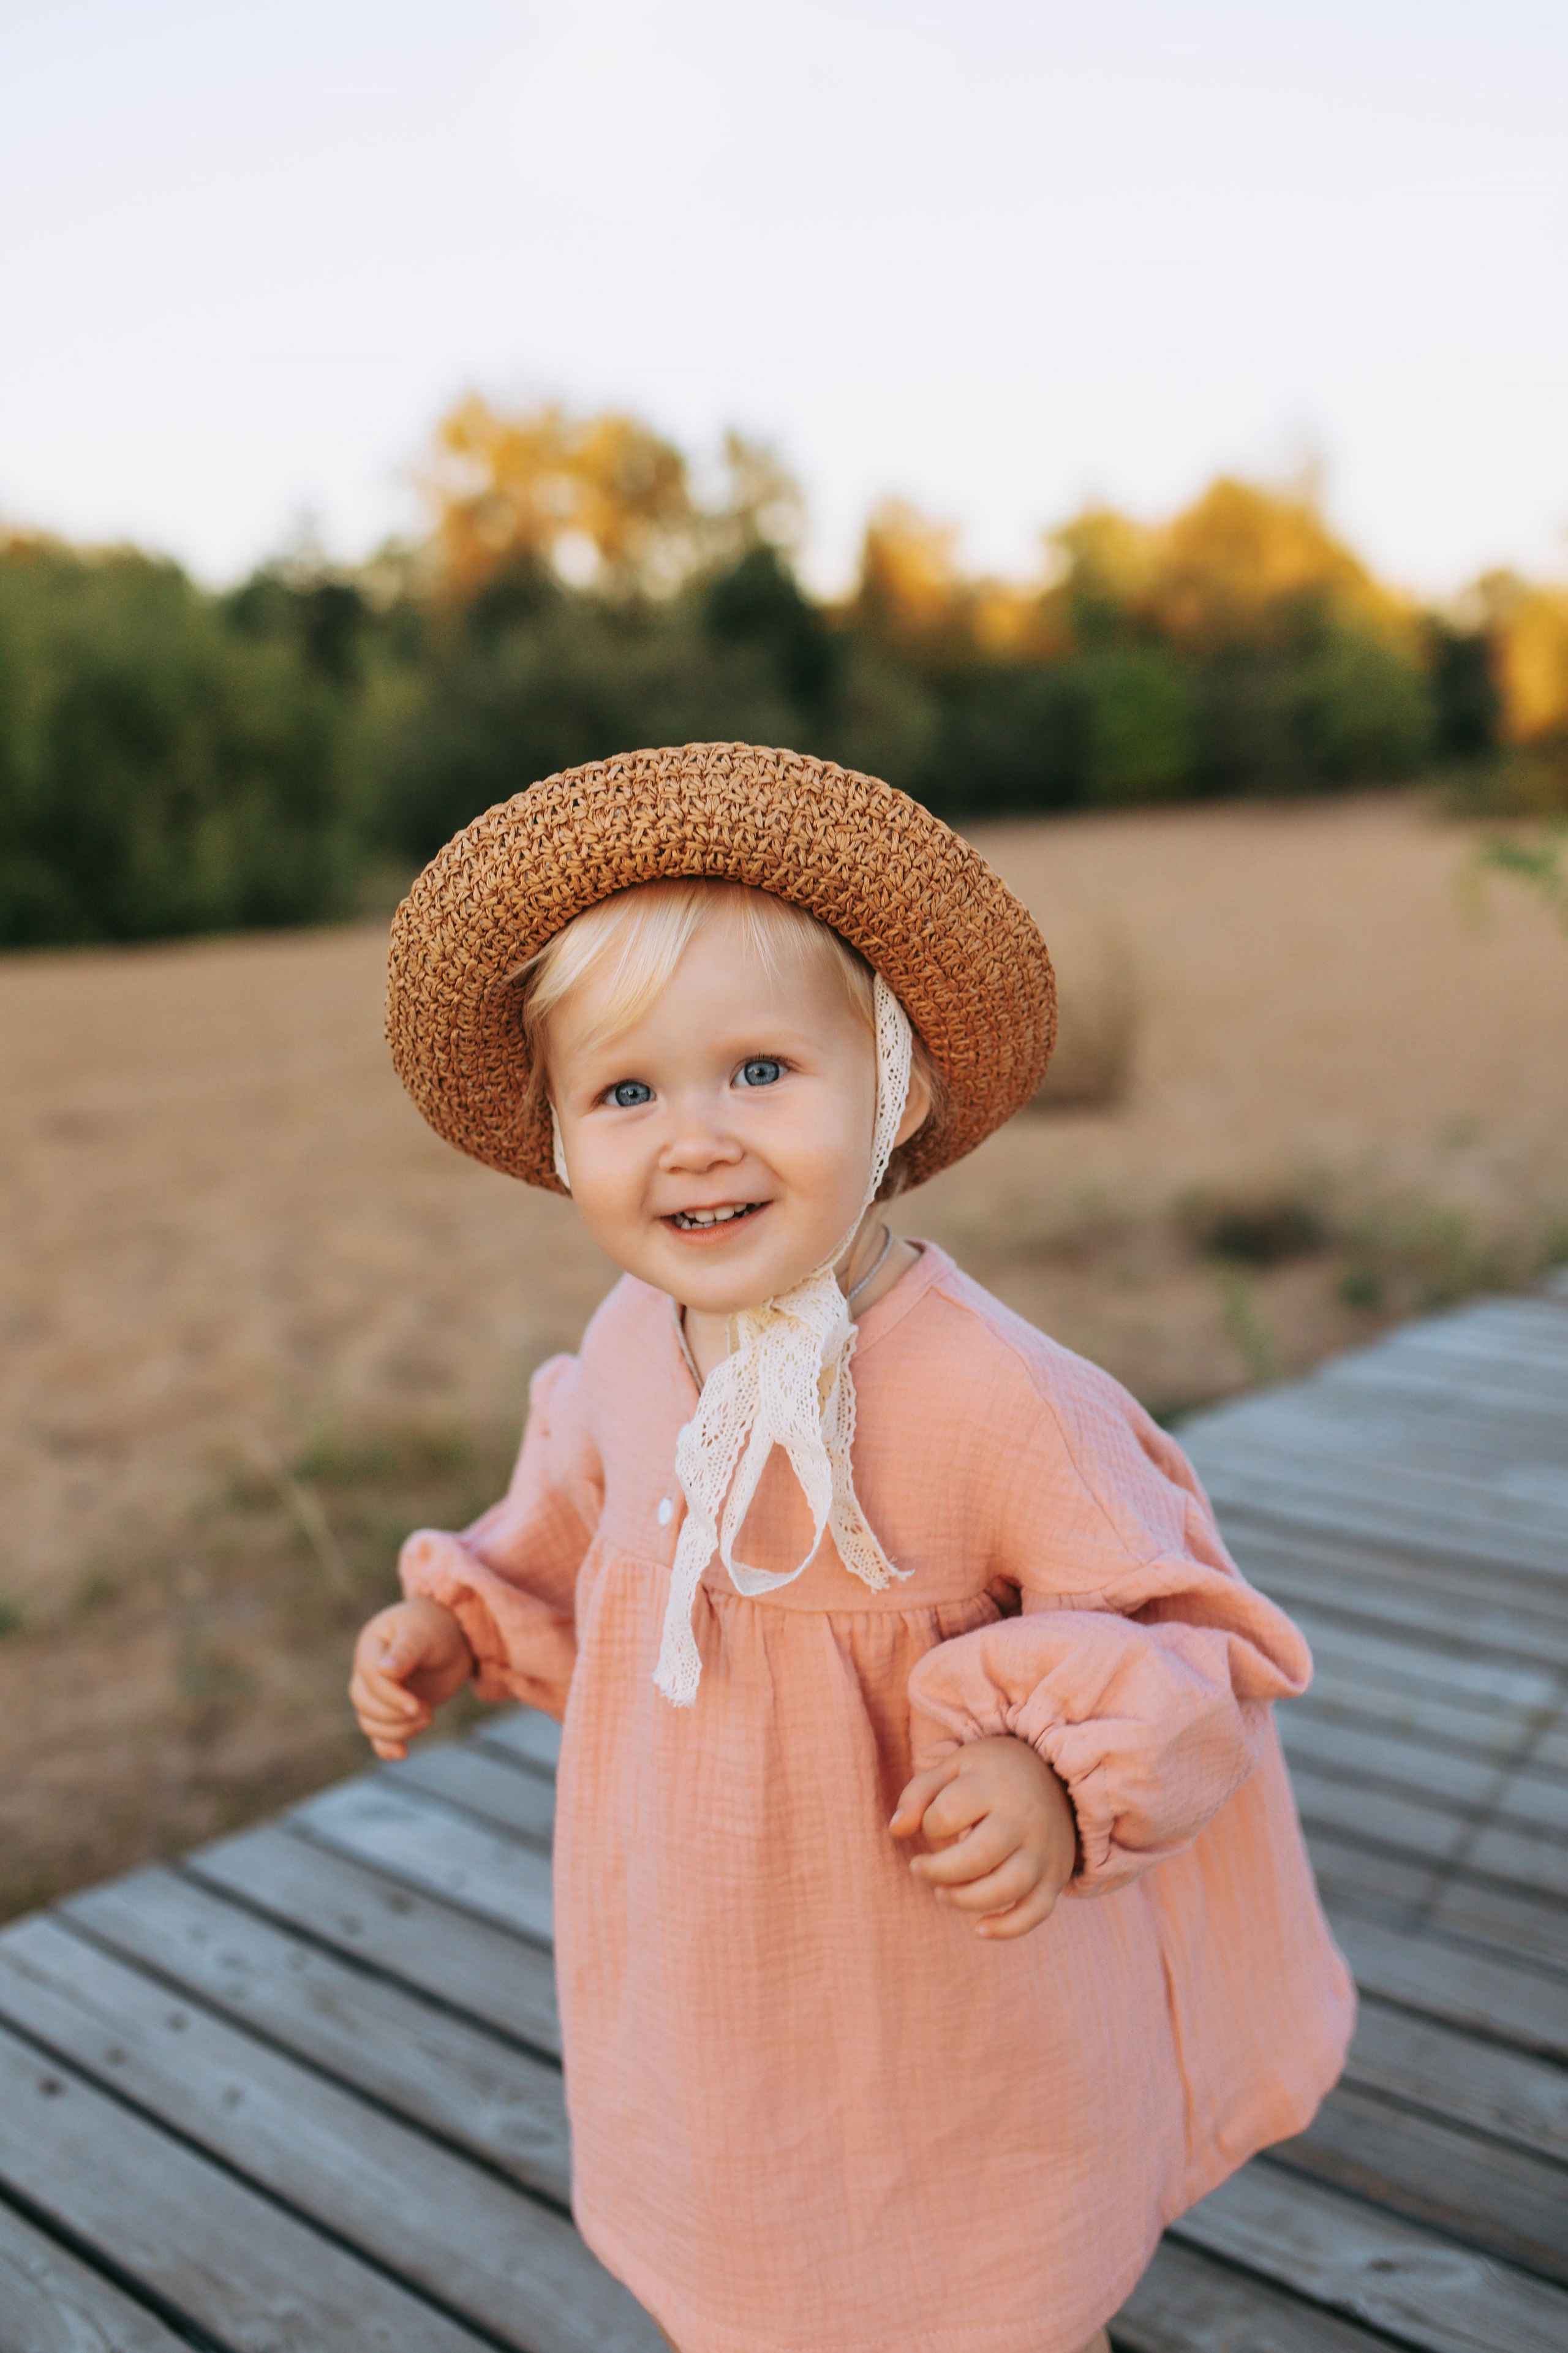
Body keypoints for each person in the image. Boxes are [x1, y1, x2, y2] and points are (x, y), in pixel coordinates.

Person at [351, 743, 1354, 2353]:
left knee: (994, 2281)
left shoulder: (998, 1393)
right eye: (626, 1090)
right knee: (748, 2250)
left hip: (952, 1974)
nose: (695, 1137)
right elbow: (571, 1511)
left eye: (760, 1069)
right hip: (718, 1950)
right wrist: (465, 1615)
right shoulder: (625, 1344)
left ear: (893, 1088)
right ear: (555, 1135)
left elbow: (1193, 1646)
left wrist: (1054, 1774)